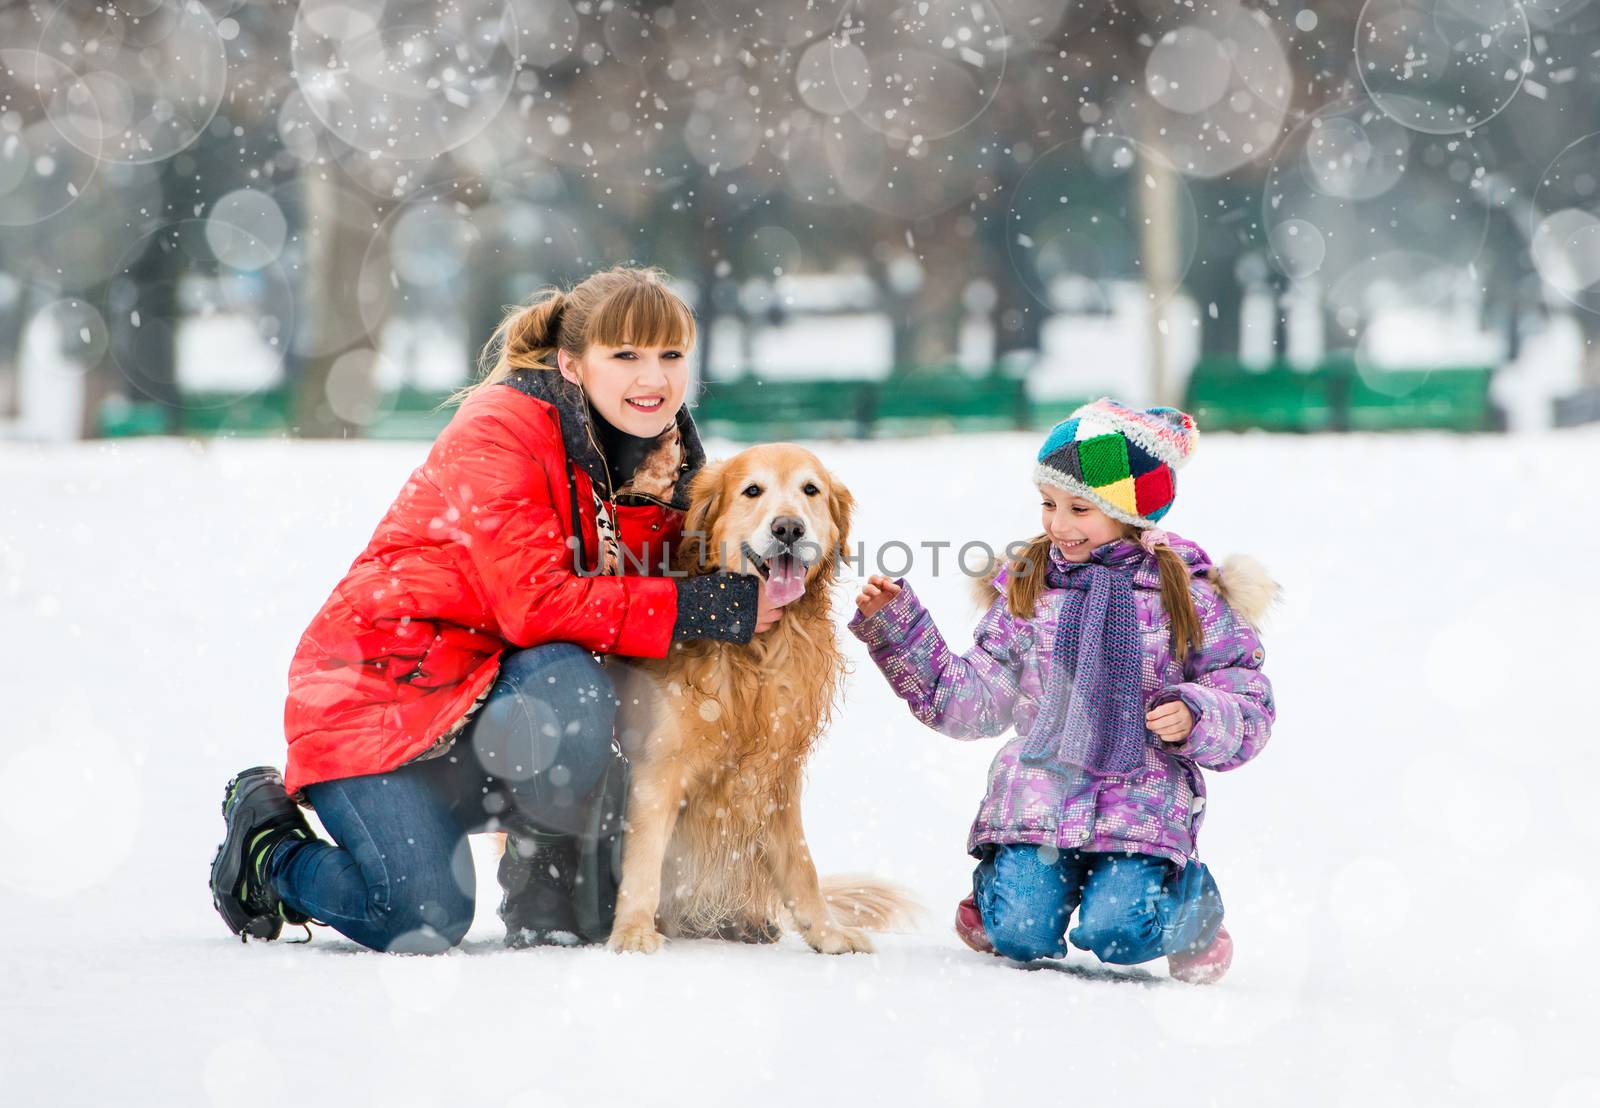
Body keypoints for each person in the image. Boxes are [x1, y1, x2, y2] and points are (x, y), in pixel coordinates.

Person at [210, 266, 785, 953]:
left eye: (670, 355)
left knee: (582, 685)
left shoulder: (667, 463)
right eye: (625, 355)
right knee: (420, 920)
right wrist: (703, 607)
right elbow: (536, 606)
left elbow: (636, 613)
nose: (652, 379)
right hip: (381, 695)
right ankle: (270, 851)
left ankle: (543, 879)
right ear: (572, 364)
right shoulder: (501, 429)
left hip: (492, 698)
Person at [850, 398, 1277, 983]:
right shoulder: (1032, 589)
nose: (1057, 524)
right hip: (1039, 805)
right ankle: (1005, 891)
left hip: (1140, 811)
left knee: (1119, 931)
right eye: (1048, 503)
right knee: (1021, 934)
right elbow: (969, 703)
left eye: (1080, 507)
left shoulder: (1192, 597)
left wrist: (1198, 714)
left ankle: (1189, 912)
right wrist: (900, 629)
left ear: (1131, 514)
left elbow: (1249, 700)